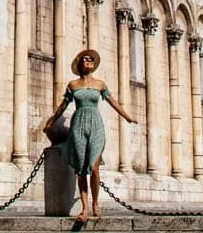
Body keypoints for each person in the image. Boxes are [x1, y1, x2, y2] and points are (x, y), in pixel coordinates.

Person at [43, 49, 135, 223]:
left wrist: (127, 117)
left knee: (93, 167)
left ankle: (96, 203)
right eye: (85, 59)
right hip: (78, 125)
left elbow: (113, 102)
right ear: (80, 64)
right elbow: (63, 105)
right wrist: (51, 121)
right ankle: (85, 208)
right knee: (81, 168)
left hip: (95, 125)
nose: (88, 61)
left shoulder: (100, 84)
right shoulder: (73, 85)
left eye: (91, 59)